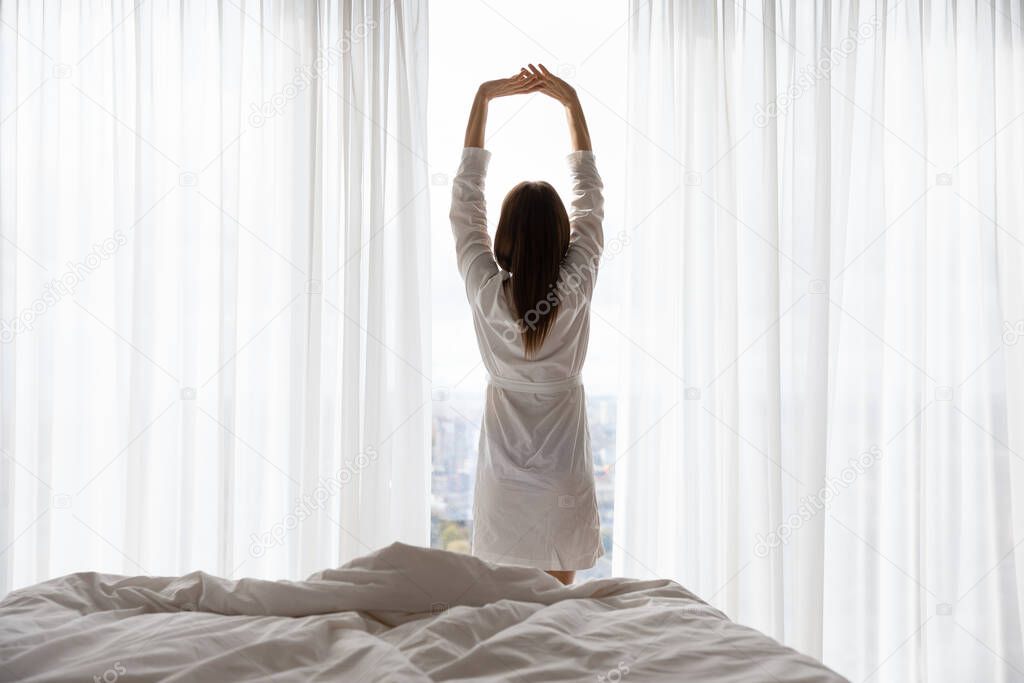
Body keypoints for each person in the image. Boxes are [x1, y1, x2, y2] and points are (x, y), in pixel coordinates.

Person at [450, 64, 604, 585]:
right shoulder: (577, 284)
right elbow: (591, 200)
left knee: (506, 620)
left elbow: (465, 203)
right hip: (563, 475)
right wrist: (571, 105)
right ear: (562, 236)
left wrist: (484, 97)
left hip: (504, 482)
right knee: (559, 621)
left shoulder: (484, 288)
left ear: (505, 237)